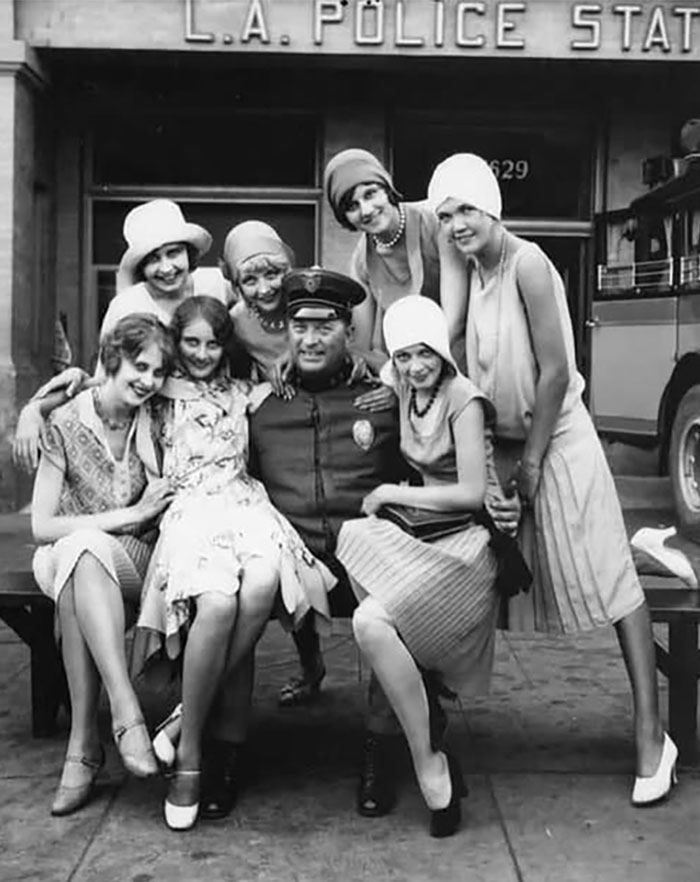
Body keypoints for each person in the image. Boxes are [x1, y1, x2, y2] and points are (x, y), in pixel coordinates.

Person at [427, 152, 677, 807]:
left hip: (557, 440)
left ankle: (653, 736)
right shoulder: (472, 270)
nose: (456, 223)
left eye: (466, 210)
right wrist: (490, 466)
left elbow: (555, 373)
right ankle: (424, 727)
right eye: (445, 214)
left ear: (492, 207)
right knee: (479, 574)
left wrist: (532, 466)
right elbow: (461, 365)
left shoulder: (528, 263)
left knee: (610, 581)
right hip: (506, 445)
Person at [194, 268, 412, 822]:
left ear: (348, 331)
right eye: (299, 325)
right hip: (292, 559)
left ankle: (380, 746)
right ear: (285, 331)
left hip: (362, 557)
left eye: (325, 325)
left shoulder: (383, 399)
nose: (311, 339)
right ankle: (226, 748)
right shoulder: (260, 404)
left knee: (398, 601)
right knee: (242, 590)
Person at [132, 295, 336, 832]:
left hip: (246, 505)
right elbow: (96, 379)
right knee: (217, 603)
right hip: (190, 509)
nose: (201, 353)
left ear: (228, 345)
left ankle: (182, 725)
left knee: (265, 578)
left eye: (213, 341)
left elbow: (304, 377)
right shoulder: (155, 392)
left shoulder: (246, 392)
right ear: (176, 342)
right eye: (191, 341)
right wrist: (39, 402)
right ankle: (192, 751)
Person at [334, 296, 500, 837]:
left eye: (423, 353)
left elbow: (474, 493)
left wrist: (389, 492)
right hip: (424, 533)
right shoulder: (404, 389)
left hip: (467, 545)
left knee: (369, 622)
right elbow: (360, 363)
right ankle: (429, 731)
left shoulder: (462, 398)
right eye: (403, 356)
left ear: (441, 350)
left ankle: (428, 761)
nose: (414, 366)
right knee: (351, 537)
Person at [30, 314, 176, 816]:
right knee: (79, 548)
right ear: (112, 358)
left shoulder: (155, 416)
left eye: (158, 372)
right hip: (64, 553)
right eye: (140, 366)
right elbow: (42, 527)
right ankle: (125, 707)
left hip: (133, 558)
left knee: (86, 553)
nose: (149, 381)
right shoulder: (66, 422)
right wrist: (130, 514)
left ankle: (85, 746)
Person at [12, 199, 230, 473]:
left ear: (188, 252)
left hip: (218, 428)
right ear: (140, 266)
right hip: (153, 435)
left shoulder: (217, 286)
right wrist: (34, 410)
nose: (165, 267)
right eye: (152, 259)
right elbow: (104, 383)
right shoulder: (127, 306)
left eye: (173, 253)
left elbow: (255, 317)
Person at [324, 147, 468, 372]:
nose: (366, 210)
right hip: (407, 369)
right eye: (352, 206)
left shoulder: (436, 223)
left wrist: (412, 371)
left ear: (386, 189)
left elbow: (455, 320)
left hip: (458, 357)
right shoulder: (361, 260)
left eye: (370, 194)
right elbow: (362, 346)